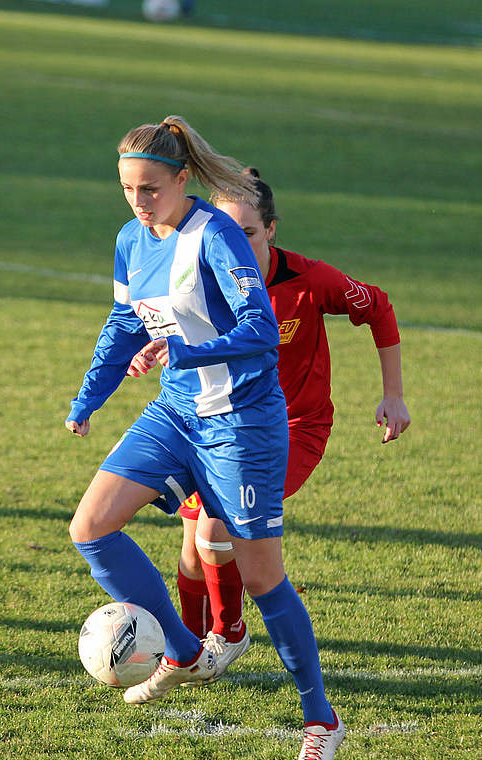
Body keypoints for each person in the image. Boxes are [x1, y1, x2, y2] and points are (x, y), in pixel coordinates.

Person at [66, 116, 345, 759]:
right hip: (175, 415)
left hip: (242, 424)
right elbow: (121, 323)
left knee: (262, 578)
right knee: (90, 528)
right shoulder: (131, 240)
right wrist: (88, 400)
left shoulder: (216, 234)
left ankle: (320, 720)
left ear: (181, 179)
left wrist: (182, 350)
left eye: (151, 189)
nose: (139, 203)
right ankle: (186, 650)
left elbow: (258, 331)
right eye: (128, 189)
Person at [174, 168, 409, 674]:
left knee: (216, 528)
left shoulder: (308, 281)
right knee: (194, 552)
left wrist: (394, 396)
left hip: (292, 428)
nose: (236, 245)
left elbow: (379, 307)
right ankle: (187, 651)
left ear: (272, 228)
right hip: (218, 425)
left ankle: (227, 634)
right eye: (226, 234)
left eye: (249, 233)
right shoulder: (200, 281)